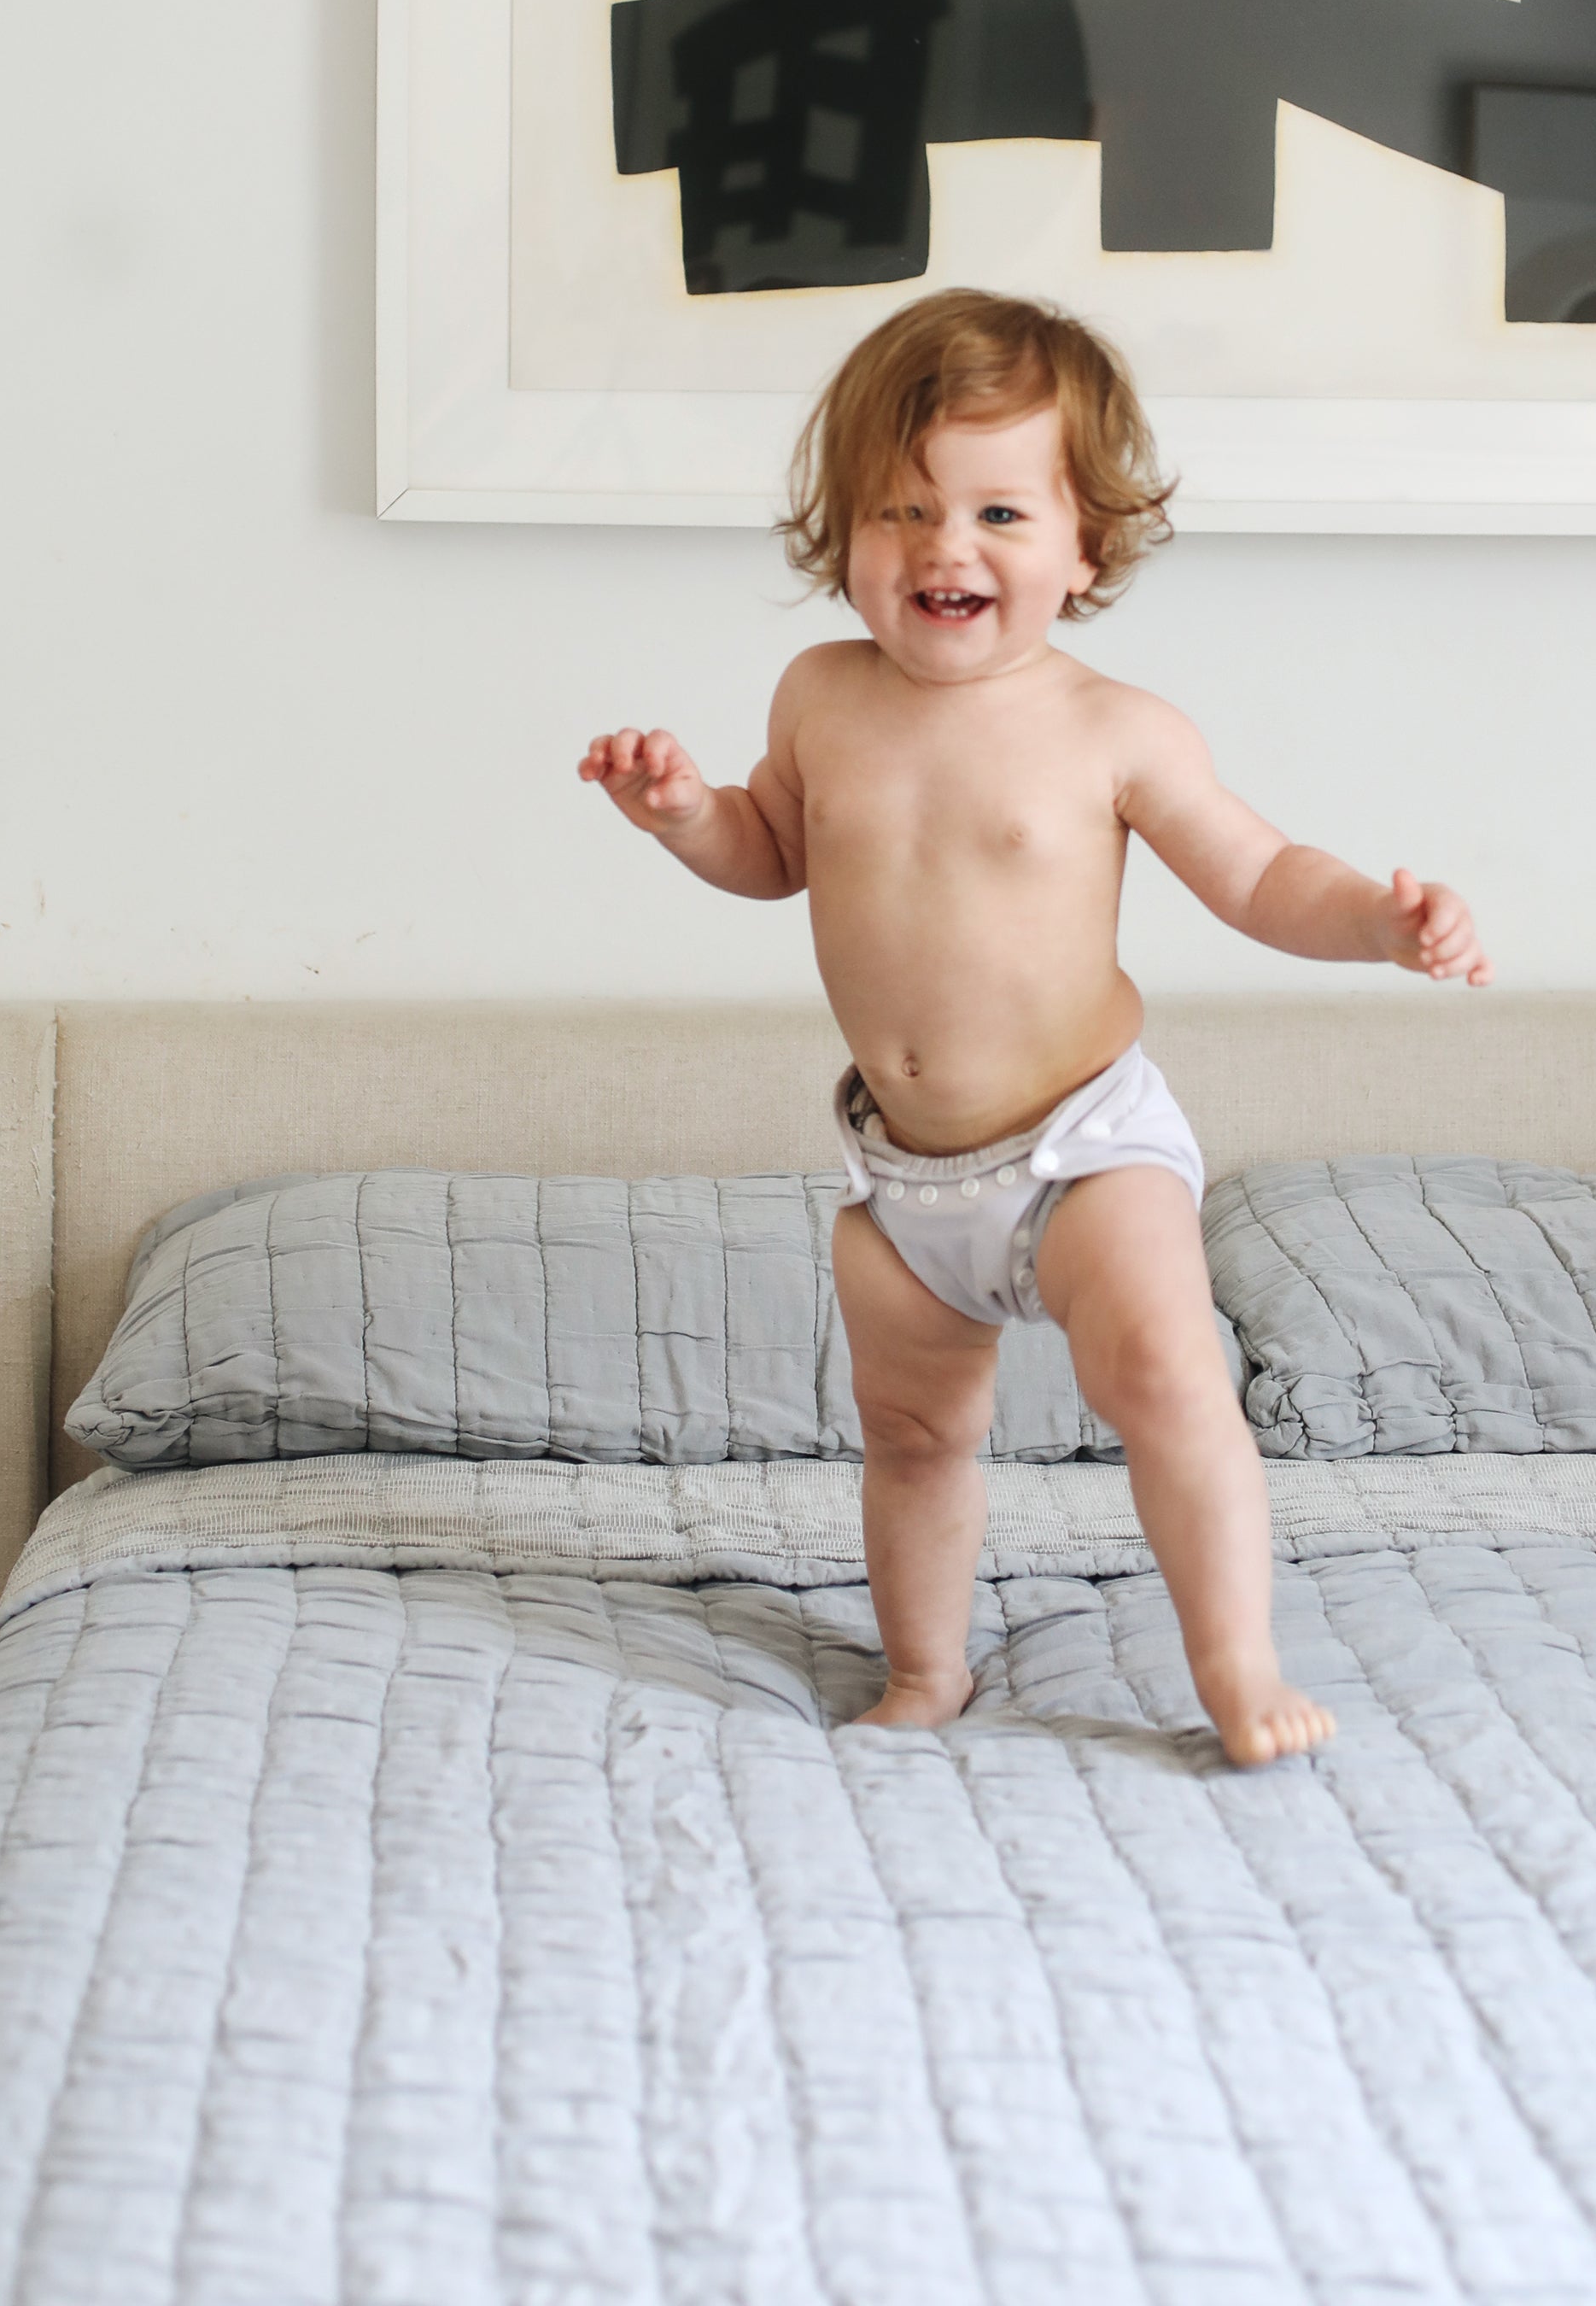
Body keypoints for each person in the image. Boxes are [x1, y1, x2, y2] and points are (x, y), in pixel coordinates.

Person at [579, 290, 1489, 1766]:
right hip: (906, 1183)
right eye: (902, 509)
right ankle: (927, 1674)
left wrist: (1379, 925)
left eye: (1001, 510)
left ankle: (1238, 1664)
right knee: (916, 1439)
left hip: (1085, 1147)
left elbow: (1260, 875)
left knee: (1166, 1378)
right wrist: (684, 815)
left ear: (1086, 545)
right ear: (845, 535)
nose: (947, 548)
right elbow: (771, 853)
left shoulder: (1114, 728)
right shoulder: (821, 697)